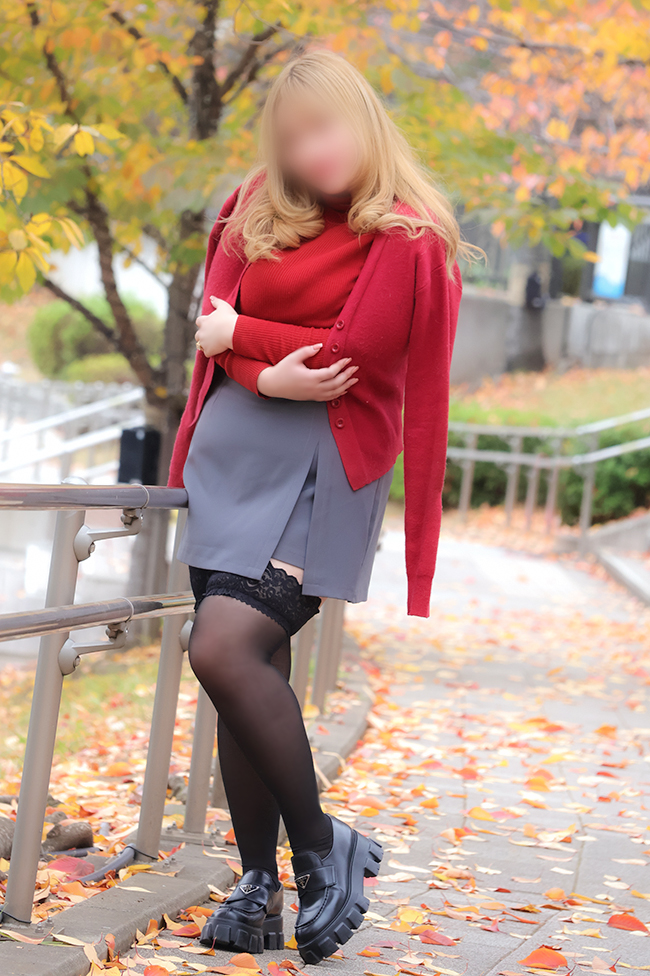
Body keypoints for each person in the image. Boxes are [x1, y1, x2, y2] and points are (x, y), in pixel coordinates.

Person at [167, 48, 473, 965]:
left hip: (323, 468)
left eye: (328, 128)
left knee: (223, 646)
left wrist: (244, 336)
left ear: (365, 119)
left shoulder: (407, 232)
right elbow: (209, 332)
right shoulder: (252, 206)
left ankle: (322, 843)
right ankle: (258, 884)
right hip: (231, 458)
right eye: (296, 138)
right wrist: (265, 370)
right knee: (242, 670)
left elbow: (354, 354)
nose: (315, 151)